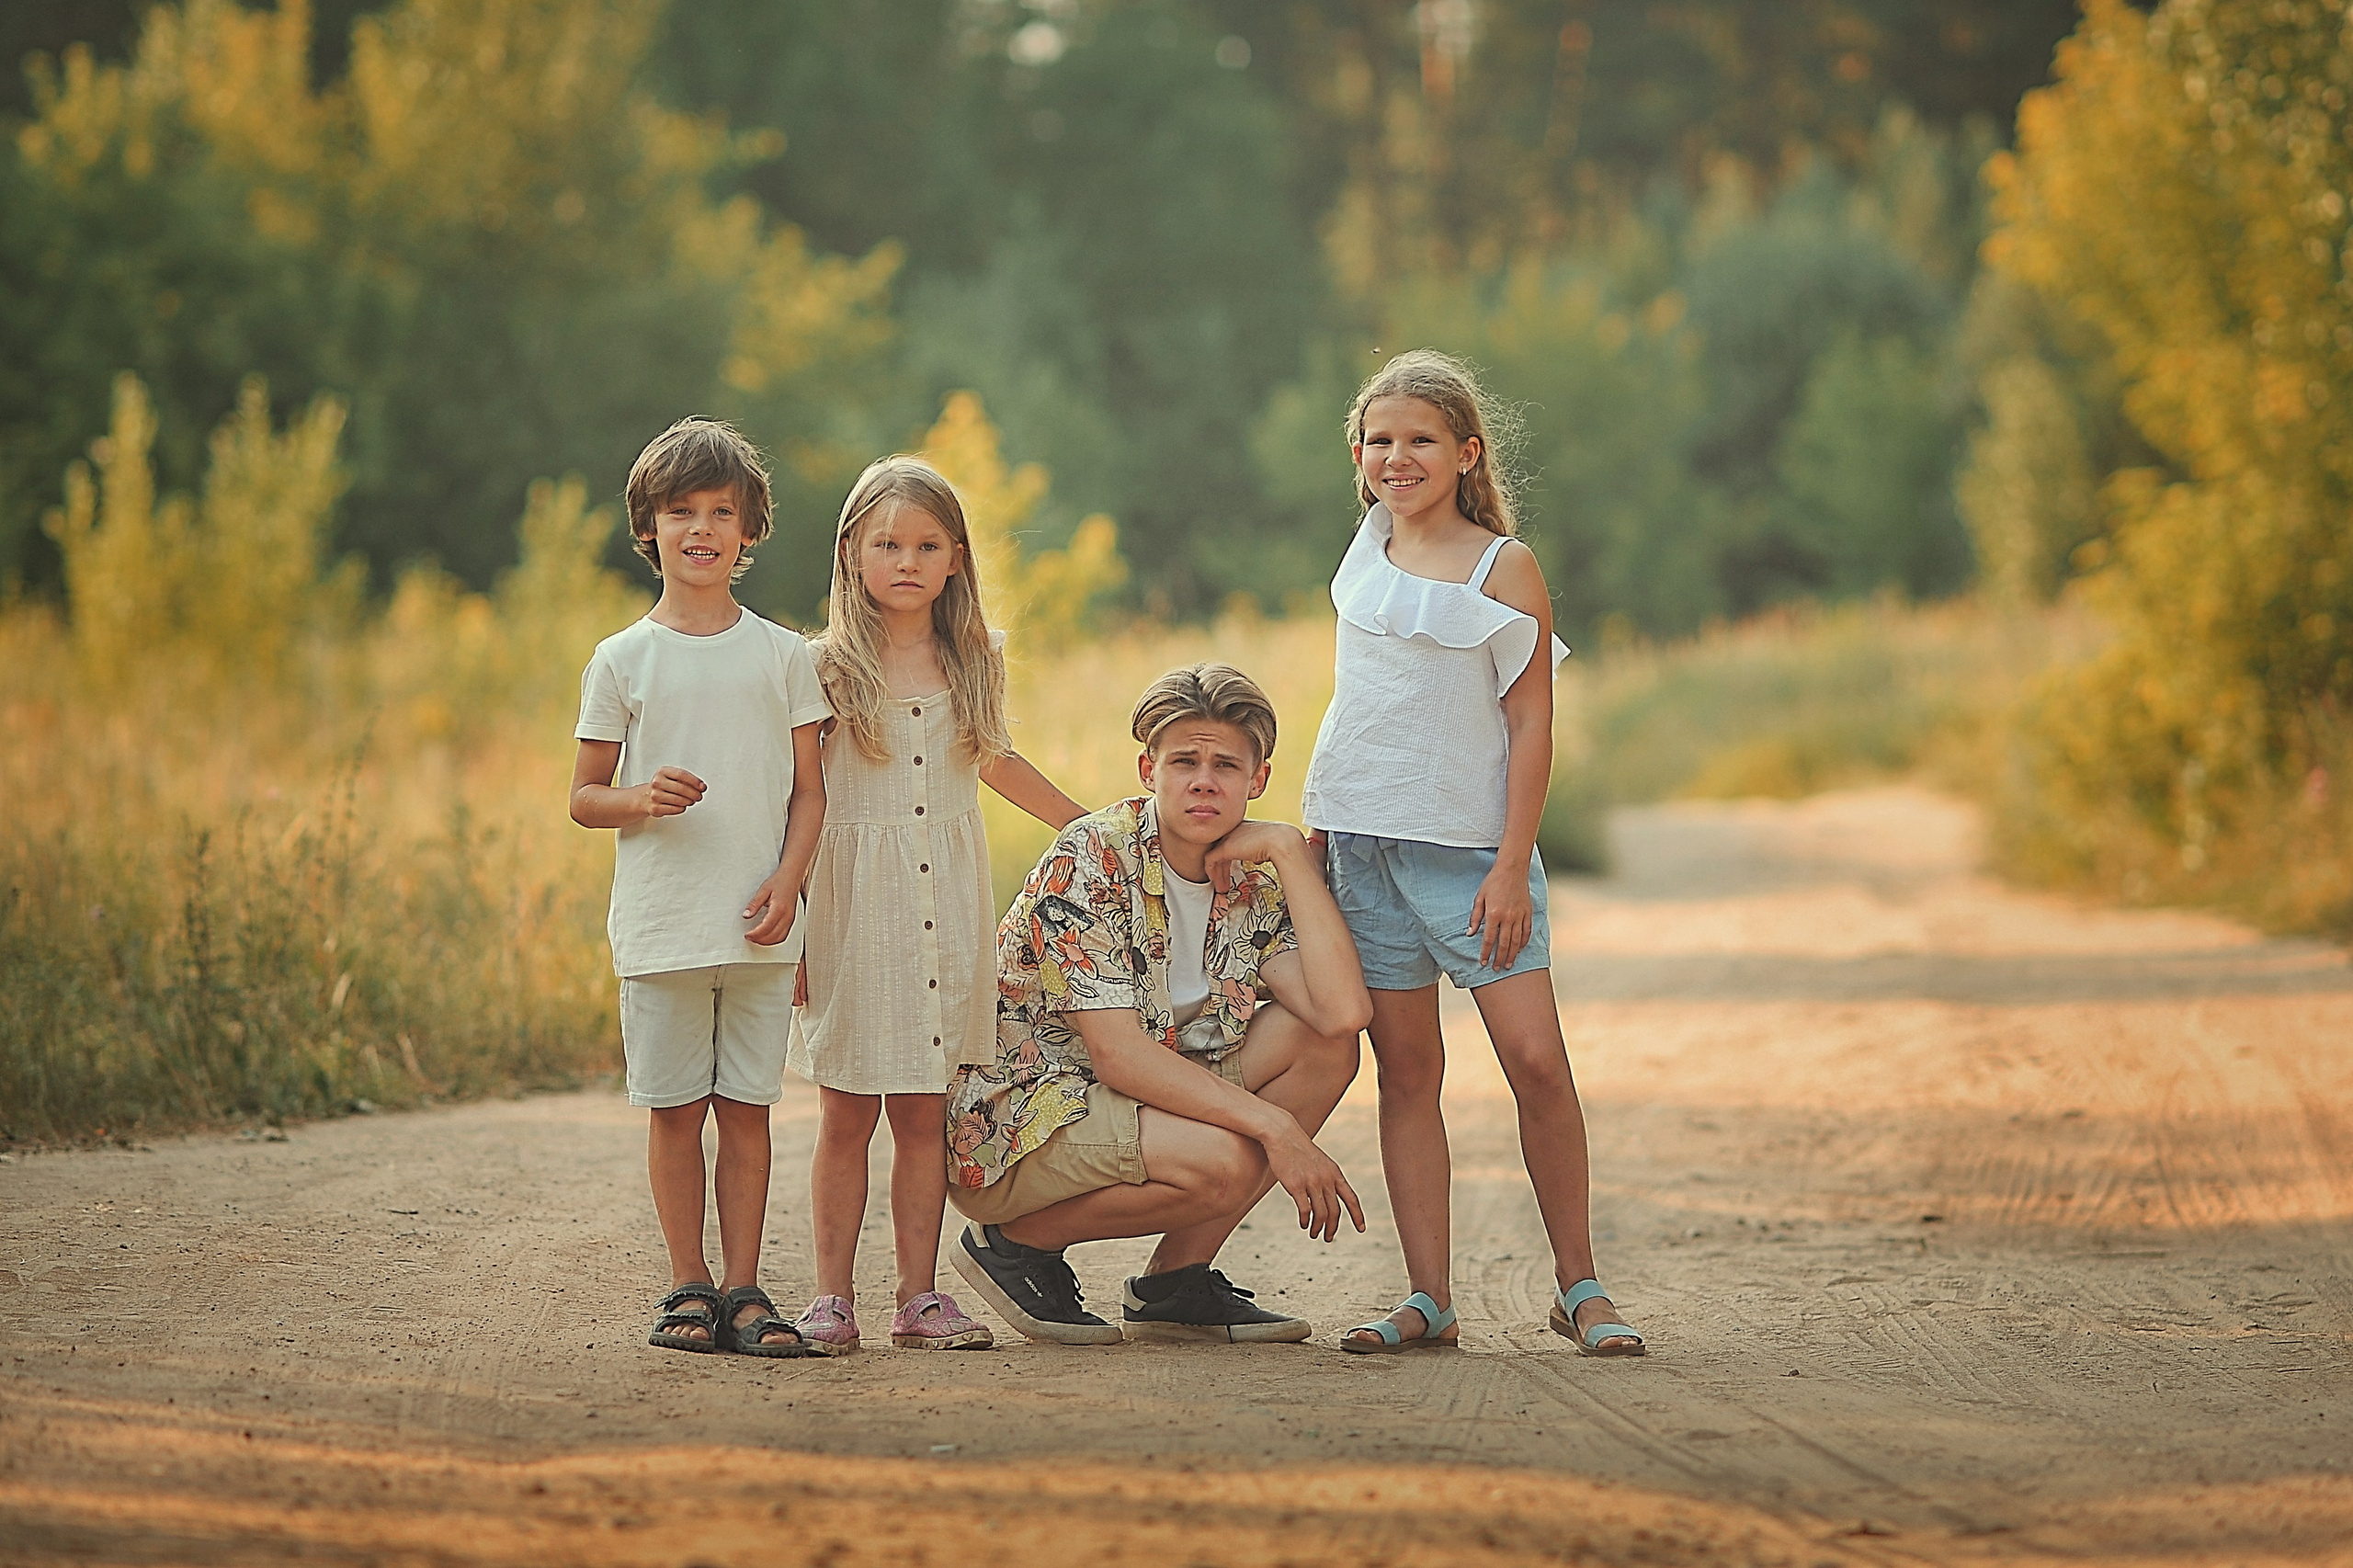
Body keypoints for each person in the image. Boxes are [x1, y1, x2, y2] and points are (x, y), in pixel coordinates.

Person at [1300, 351, 1645, 1358]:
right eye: (1378, 440)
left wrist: (1508, 863)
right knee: (1406, 1072)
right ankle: (1427, 1296)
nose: (1395, 457)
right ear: (1359, 457)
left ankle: (1579, 1284)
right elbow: (1361, 704)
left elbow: (1531, 721)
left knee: (1536, 1062)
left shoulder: (1505, 567)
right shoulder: (1362, 551)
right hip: (1361, 847)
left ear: (1464, 452)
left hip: (1470, 857)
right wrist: (1321, 827)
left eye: (1418, 440)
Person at [944, 664, 1373, 1346]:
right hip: (1023, 1119)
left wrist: (1291, 855)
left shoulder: (1254, 877)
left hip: (1138, 1101)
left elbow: (1342, 1014)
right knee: (1225, 1161)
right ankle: (1012, 1244)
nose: (1205, 780)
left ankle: (1176, 1283)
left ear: (1257, 781)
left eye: (1226, 765)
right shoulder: (1091, 857)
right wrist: (1276, 1129)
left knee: (1324, 1047)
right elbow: (1118, 1056)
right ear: (1149, 769)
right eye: (1185, 761)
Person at [786, 456, 1086, 1354]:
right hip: (851, 913)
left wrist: (1086, 822)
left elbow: (995, 759)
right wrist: (793, 923)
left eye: (925, 544)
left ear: (955, 558)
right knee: (846, 1112)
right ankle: (830, 1296)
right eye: (886, 543)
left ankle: (916, 1296)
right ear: (851, 552)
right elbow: (794, 797)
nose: (905, 560)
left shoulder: (974, 658)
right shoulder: (820, 668)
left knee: (924, 1115)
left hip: (942, 916)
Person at [570, 417, 830, 1358]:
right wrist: (641, 795)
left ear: (750, 530)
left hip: (760, 922)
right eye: (681, 511)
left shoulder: (783, 654)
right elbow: (584, 797)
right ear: (649, 526)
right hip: (663, 922)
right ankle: (686, 1281)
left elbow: (811, 791)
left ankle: (745, 1285)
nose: (701, 529)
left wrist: (789, 881)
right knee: (676, 1109)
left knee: (748, 1110)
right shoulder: (621, 659)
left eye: (722, 512)